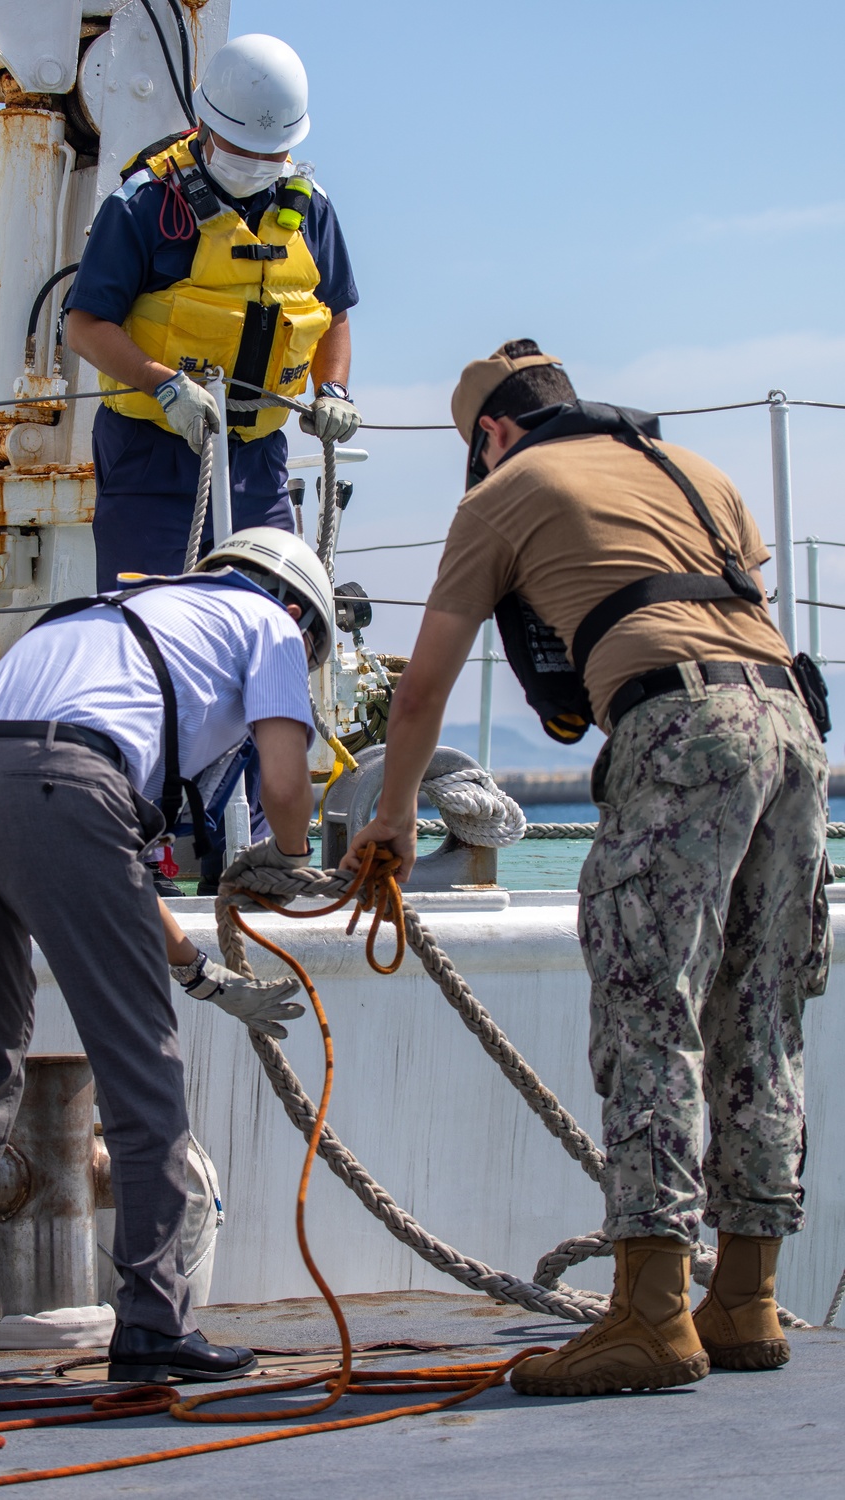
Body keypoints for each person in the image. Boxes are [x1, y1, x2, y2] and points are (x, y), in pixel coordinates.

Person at [344, 339, 831, 1397]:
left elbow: (421, 690)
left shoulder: (506, 490)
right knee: (760, 1012)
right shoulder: (700, 474)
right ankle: (742, 1301)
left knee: (646, 1003)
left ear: (490, 434)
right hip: (793, 729)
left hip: (680, 726)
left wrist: (388, 818)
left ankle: (651, 1314)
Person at [0, 528, 334, 1385]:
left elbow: (92, 837)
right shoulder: (271, 623)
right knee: (141, 1066)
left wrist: (198, 970)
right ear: (302, 614)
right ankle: (157, 1322)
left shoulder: (114, 612)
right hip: (62, 790)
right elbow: (283, 781)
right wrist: (291, 857)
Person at [64, 32, 361, 593]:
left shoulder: (312, 210)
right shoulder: (145, 204)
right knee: (150, 621)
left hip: (258, 457)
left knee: (265, 616)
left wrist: (334, 392)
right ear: (206, 127)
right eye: (243, 149)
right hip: (151, 451)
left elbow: (334, 315)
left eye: (272, 152)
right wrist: (164, 386)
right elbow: (85, 324)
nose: (257, 163)